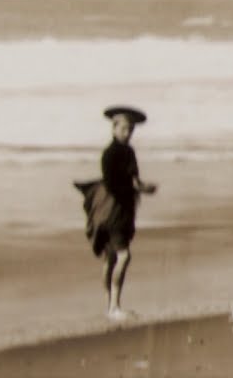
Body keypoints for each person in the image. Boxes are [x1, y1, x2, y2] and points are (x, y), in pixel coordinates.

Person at [95, 105, 157, 320]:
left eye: (130, 129)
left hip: (125, 210)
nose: (128, 133)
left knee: (112, 258)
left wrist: (143, 187)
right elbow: (113, 184)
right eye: (124, 128)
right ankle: (113, 307)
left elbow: (134, 180)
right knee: (123, 256)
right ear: (114, 129)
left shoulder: (129, 152)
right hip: (113, 211)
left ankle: (110, 306)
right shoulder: (109, 154)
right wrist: (135, 188)